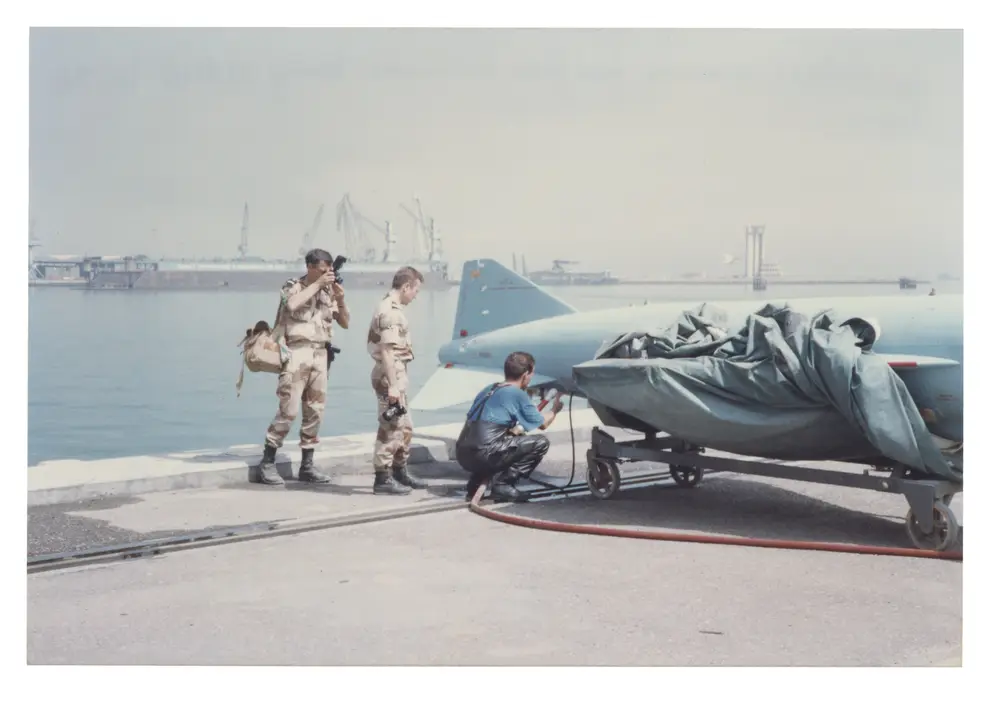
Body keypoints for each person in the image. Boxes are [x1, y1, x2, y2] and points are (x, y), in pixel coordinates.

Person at [252, 248, 350, 486]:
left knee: (315, 411)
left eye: (329, 269)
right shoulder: (293, 286)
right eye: (322, 268)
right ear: (309, 266)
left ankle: (307, 465)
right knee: (289, 410)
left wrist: (340, 297)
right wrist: (317, 285)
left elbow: (345, 322)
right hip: (296, 353)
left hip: (320, 354)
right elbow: (293, 305)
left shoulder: (328, 290)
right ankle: (267, 462)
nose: (327, 272)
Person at [455, 351, 564, 502]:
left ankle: (474, 485)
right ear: (526, 374)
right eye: (532, 374)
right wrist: (555, 409)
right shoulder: (516, 394)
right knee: (540, 442)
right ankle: (504, 485)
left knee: (499, 441)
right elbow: (543, 424)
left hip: (463, 454)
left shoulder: (488, 389)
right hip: (484, 455)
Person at [367, 266, 427, 495]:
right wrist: (392, 385)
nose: (415, 295)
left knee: (405, 426)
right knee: (391, 427)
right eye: (415, 290)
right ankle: (382, 478)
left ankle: (399, 470)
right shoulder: (390, 312)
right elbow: (387, 351)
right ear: (406, 287)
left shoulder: (392, 308)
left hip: (397, 374)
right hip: (389, 375)